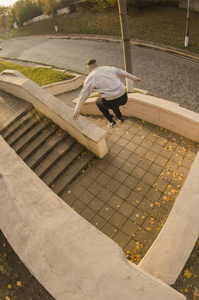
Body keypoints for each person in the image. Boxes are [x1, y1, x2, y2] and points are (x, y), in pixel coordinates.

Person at [73, 59, 141, 127]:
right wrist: (134, 78)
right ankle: (121, 118)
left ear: (89, 67)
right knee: (112, 98)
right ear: (97, 64)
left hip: (110, 103)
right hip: (124, 97)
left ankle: (112, 122)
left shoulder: (91, 77)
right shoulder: (109, 68)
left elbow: (84, 94)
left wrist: (77, 110)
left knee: (98, 101)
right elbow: (123, 72)